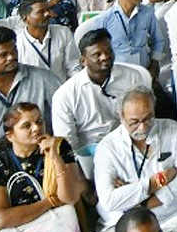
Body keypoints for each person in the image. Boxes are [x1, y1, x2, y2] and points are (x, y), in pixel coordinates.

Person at [0, 27, 63, 176]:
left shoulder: (44, 79)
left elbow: (64, 120)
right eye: (3, 55)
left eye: (14, 51)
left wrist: (54, 153)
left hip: (42, 161)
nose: (11, 57)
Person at [0, 102, 85, 232]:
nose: (36, 128)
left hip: (59, 231)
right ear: (10, 136)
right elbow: (1, 219)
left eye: (39, 121)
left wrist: (55, 159)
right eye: (26, 125)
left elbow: (70, 198)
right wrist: (50, 202)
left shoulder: (59, 147)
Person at [93, 87, 177, 229]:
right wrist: (156, 181)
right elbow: (109, 201)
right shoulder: (107, 148)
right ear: (121, 116)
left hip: (171, 216)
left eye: (148, 118)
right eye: (134, 122)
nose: (142, 128)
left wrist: (144, 203)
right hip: (127, 222)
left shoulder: (173, 130)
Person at [51, 28, 150, 157]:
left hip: (130, 149)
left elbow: (144, 118)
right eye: (97, 54)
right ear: (83, 61)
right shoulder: (65, 95)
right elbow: (66, 142)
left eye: (108, 51)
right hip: (89, 155)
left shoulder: (132, 77)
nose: (105, 57)